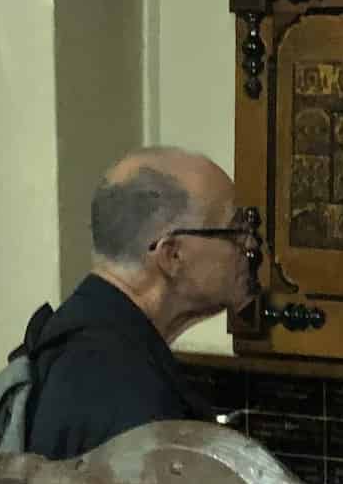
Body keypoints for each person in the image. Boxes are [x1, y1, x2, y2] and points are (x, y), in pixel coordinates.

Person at [21, 148, 254, 458]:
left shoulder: (83, 341)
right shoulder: (125, 397)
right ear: (173, 256)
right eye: (236, 230)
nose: (250, 244)